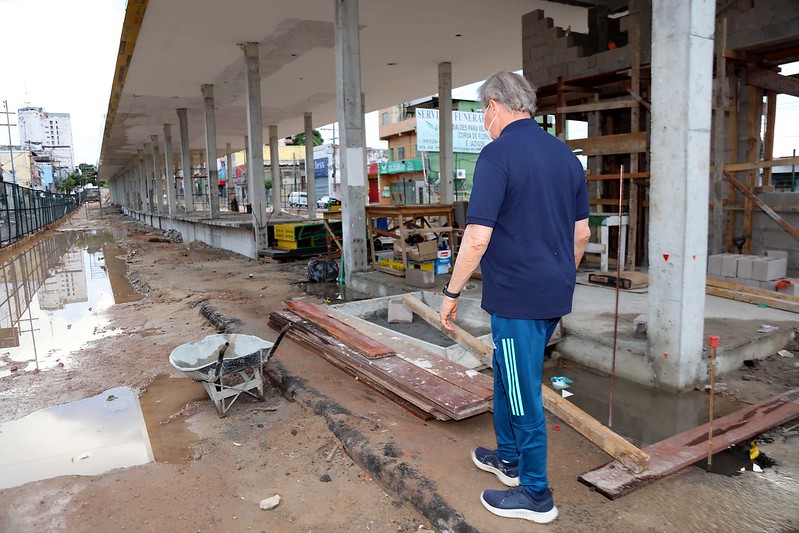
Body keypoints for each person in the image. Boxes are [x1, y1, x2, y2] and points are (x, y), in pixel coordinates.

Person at [439, 71, 590, 524]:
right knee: (507, 374)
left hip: (517, 298)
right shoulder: (565, 156)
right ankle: (508, 459)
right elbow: (581, 234)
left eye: (483, 111)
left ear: (493, 106)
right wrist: (559, 277)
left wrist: (451, 292)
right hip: (551, 293)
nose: (484, 119)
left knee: (522, 392)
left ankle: (536, 494)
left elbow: (477, 237)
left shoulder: (497, 154)